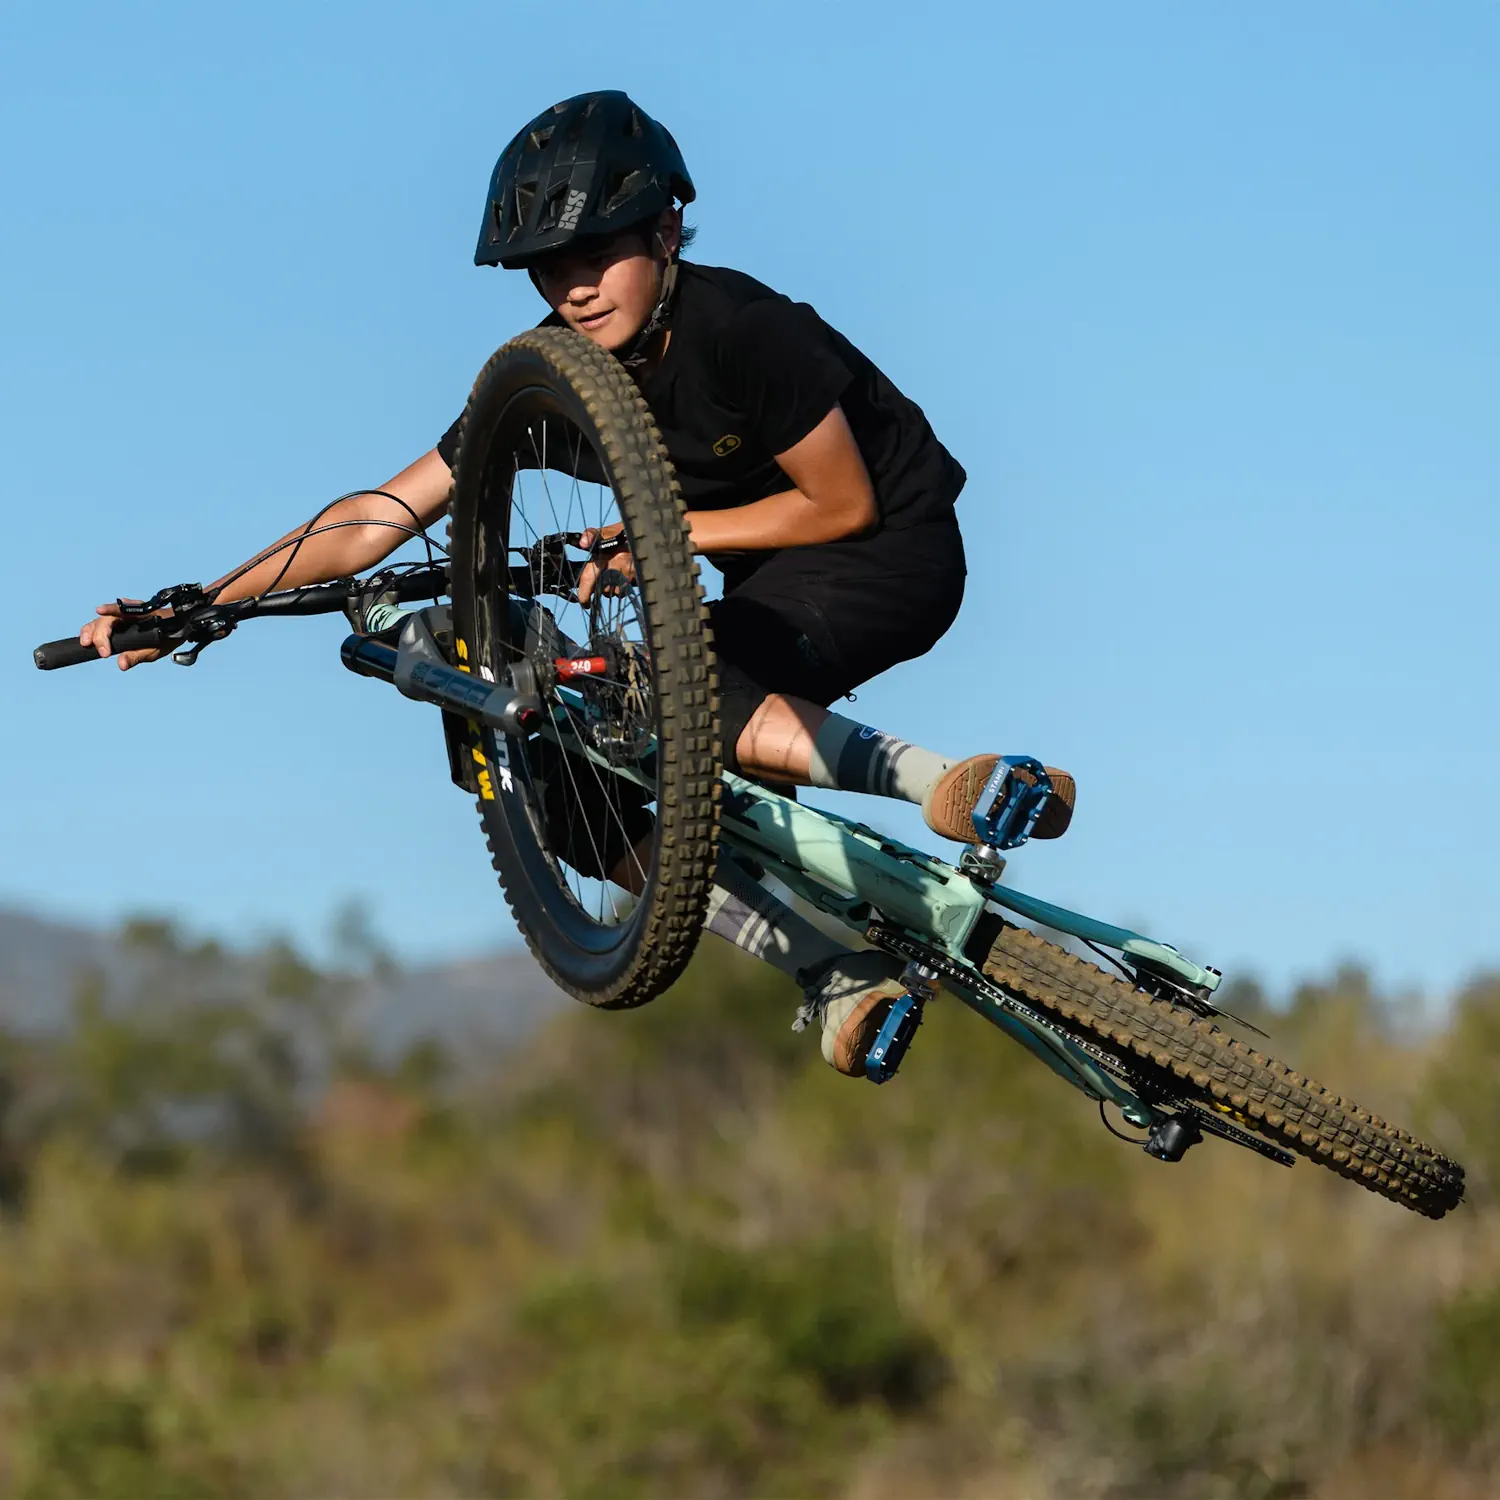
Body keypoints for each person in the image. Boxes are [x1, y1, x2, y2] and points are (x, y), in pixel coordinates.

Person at [77, 90, 1076, 1078]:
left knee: (679, 684)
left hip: (890, 553)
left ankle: (951, 784)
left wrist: (661, 536)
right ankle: (831, 971)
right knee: (565, 771)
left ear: (666, 231)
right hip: (761, 584)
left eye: (597, 254)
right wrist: (199, 605)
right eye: (551, 267)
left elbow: (841, 505)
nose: (576, 288)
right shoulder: (556, 375)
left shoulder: (744, 328)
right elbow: (375, 519)